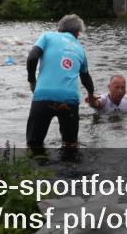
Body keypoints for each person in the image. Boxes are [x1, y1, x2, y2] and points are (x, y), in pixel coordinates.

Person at [26, 14, 95, 150]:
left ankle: (36, 168)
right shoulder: (80, 49)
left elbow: (32, 58)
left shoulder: (47, 36)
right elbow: (86, 77)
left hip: (43, 96)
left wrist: (32, 81)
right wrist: (91, 94)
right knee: (70, 146)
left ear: (59, 29)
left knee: (33, 144)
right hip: (69, 99)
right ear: (77, 33)